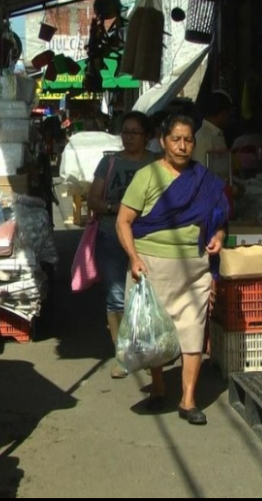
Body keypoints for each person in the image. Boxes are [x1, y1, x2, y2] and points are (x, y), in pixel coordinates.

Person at [116, 115, 228, 426]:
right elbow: (123, 222)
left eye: (188, 140)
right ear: (163, 141)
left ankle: (188, 399)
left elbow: (219, 220)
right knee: (155, 333)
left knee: (193, 328)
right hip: (152, 268)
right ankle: (160, 386)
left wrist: (218, 237)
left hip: (194, 269)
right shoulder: (147, 176)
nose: (182, 146)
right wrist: (134, 257)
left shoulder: (204, 180)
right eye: (176, 139)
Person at [86, 112, 157, 379]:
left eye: (134, 132)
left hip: (148, 239)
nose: (128, 137)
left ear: (146, 136)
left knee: (148, 297)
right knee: (116, 297)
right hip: (112, 235)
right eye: (125, 132)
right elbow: (93, 199)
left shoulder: (156, 163)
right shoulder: (109, 163)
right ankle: (123, 355)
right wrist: (117, 208)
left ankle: (151, 356)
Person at [192, 91, 231, 167]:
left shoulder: (216, 134)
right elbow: (202, 172)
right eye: (228, 114)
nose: (229, 118)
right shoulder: (204, 138)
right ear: (223, 114)